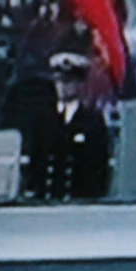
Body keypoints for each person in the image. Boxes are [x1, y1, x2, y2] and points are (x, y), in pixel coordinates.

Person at [24, 50, 112, 202]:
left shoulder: (92, 122)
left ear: (80, 84)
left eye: (67, 82)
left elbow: (98, 169)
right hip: (47, 201)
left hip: (79, 202)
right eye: (58, 81)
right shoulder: (44, 120)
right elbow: (36, 162)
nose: (62, 87)